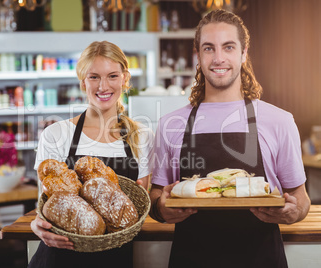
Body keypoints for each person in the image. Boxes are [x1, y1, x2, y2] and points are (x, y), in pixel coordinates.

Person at [149, 9, 310, 268]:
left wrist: (293, 213)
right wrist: (160, 209)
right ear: (198, 56)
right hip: (192, 259)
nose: (219, 58)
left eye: (229, 47)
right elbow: (156, 196)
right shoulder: (170, 124)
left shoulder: (279, 121)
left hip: (261, 259)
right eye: (209, 48)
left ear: (244, 53)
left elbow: (301, 200)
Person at [28, 40, 154, 268]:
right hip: (61, 257)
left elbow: (139, 208)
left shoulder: (142, 137)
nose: (103, 86)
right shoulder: (57, 134)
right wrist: (36, 224)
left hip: (116, 258)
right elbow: (45, 203)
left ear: (125, 79)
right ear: (82, 82)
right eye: (94, 77)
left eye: (112, 76)